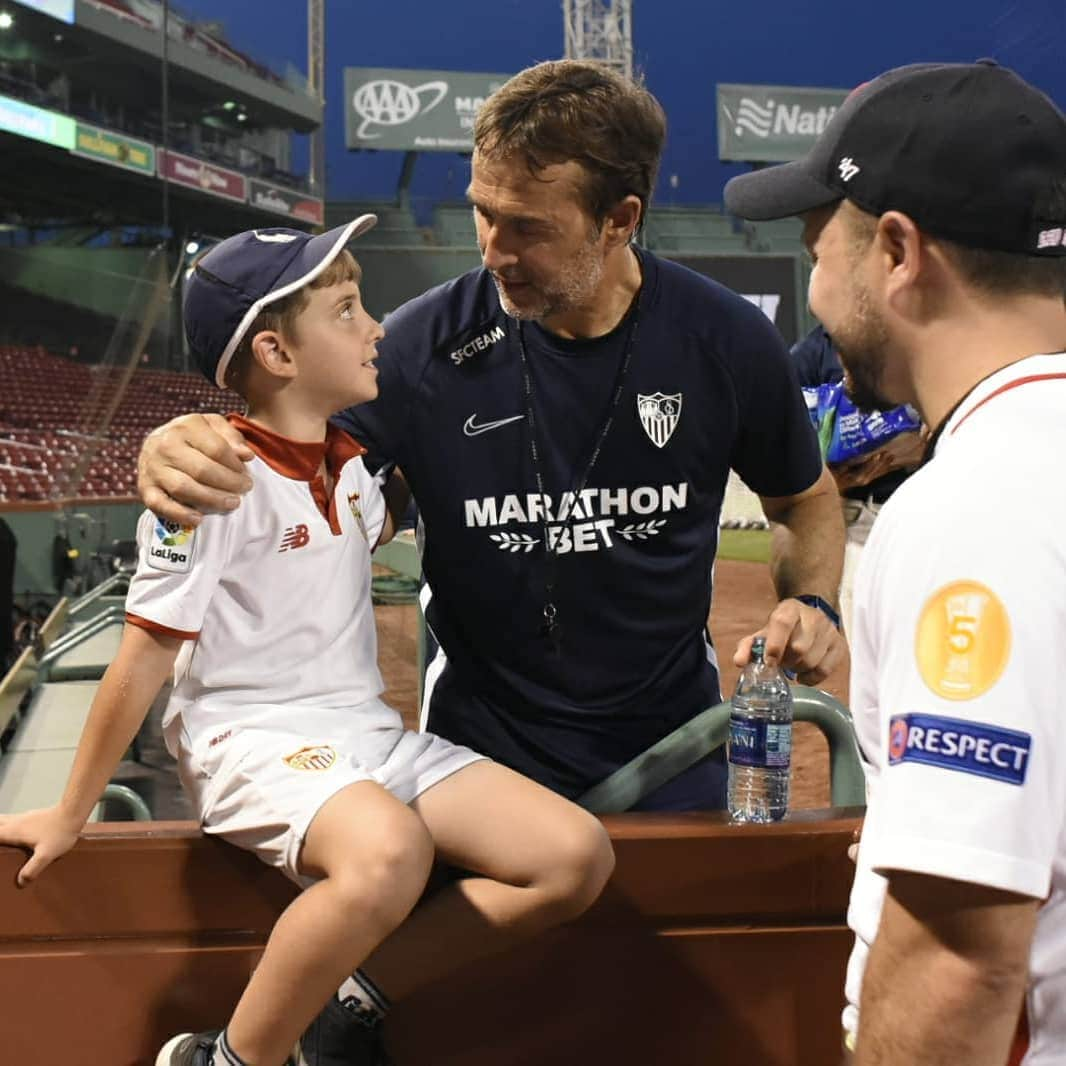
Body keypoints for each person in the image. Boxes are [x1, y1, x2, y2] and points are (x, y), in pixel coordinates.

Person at [137, 59, 847, 813]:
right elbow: (292, 468)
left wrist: (814, 603)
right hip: (475, 762)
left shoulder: (727, 339)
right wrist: (182, 443)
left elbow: (803, 500)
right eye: (484, 212)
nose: (493, 250)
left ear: (620, 220)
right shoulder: (417, 348)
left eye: (529, 228)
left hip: (674, 749)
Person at [0, 218, 614, 1066]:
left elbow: (381, 508)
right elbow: (143, 655)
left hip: (363, 735)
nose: (377, 328)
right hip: (251, 739)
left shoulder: (353, 468)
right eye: (349, 309)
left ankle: (349, 1006)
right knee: (390, 853)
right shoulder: (212, 482)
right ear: (276, 355)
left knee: (573, 857)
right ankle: (229, 1060)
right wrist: (73, 811)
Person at [725, 59, 1066, 1065]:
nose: (816, 289)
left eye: (813, 247)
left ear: (895, 249)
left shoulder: (978, 501)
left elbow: (959, 953)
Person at [791, 323, 926, 635]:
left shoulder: (920, 332)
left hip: (924, 510)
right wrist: (830, 481)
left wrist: (915, 449)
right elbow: (787, 458)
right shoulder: (810, 356)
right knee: (868, 643)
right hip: (856, 519)